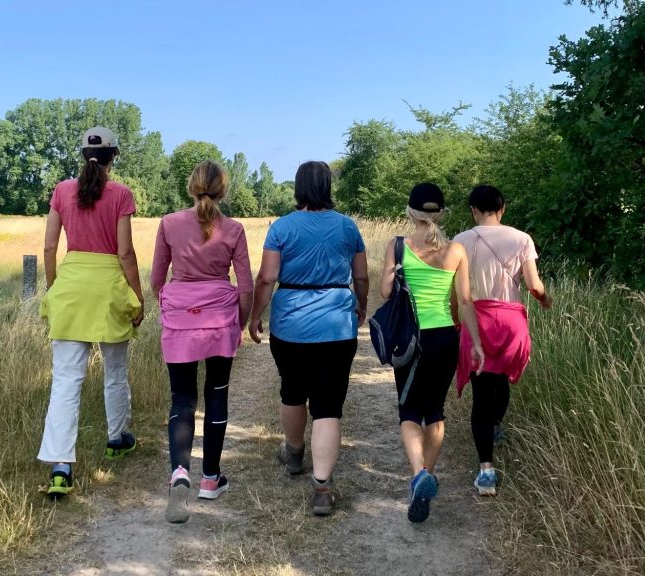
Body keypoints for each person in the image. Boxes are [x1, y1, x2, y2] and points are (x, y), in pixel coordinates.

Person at [248, 160, 369, 517]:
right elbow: (360, 278)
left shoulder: (281, 227)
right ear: (329, 186)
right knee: (328, 404)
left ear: (298, 187)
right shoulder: (348, 227)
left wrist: (256, 315)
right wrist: (360, 307)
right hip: (337, 325)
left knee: (292, 389)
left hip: (290, 325)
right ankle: (322, 487)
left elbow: (266, 279)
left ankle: (294, 451)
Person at [38, 126, 144, 497]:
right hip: (108, 288)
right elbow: (126, 253)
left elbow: (50, 248)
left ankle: (60, 466)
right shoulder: (120, 194)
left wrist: (55, 290)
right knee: (115, 370)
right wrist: (138, 297)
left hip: (70, 287)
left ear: (83, 155)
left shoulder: (62, 191)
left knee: (66, 380)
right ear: (115, 155)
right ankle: (117, 438)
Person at [151, 160, 253, 524]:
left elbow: (156, 280)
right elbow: (246, 284)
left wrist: (173, 304)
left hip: (180, 317)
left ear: (190, 187)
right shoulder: (234, 229)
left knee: (181, 398)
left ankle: (179, 471)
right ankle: (211, 477)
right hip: (219, 320)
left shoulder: (169, 223)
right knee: (216, 394)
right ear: (223, 190)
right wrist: (240, 322)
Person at [379, 182, 484, 523]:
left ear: (410, 212)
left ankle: (418, 475)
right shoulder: (456, 251)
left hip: (411, 339)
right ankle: (427, 472)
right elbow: (465, 301)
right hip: (445, 338)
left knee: (409, 410)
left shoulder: (398, 246)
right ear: (441, 213)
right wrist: (477, 344)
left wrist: (397, 273)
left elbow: (384, 293)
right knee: (434, 411)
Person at [453, 184, 552, 496]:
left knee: (482, 394)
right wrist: (545, 299)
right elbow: (534, 285)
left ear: (473, 210)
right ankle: (495, 426)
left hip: (477, 319)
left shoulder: (461, 241)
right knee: (503, 382)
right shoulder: (522, 238)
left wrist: (455, 318)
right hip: (510, 321)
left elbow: (459, 292)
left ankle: (486, 471)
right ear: (502, 208)